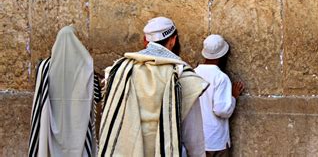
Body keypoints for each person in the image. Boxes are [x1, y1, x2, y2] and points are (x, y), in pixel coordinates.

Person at [99, 17, 209, 157]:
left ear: (145, 41)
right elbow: (194, 137)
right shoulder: (182, 76)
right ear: (173, 40)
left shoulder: (119, 71)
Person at [28, 25, 100, 157]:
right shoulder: (87, 69)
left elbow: (39, 101)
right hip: (79, 127)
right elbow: (98, 96)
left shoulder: (45, 67)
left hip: (51, 125)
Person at [195, 35, 244, 157]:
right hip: (215, 141)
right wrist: (233, 97)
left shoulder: (193, 73)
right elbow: (221, 110)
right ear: (223, 56)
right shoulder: (221, 77)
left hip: (197, 139)